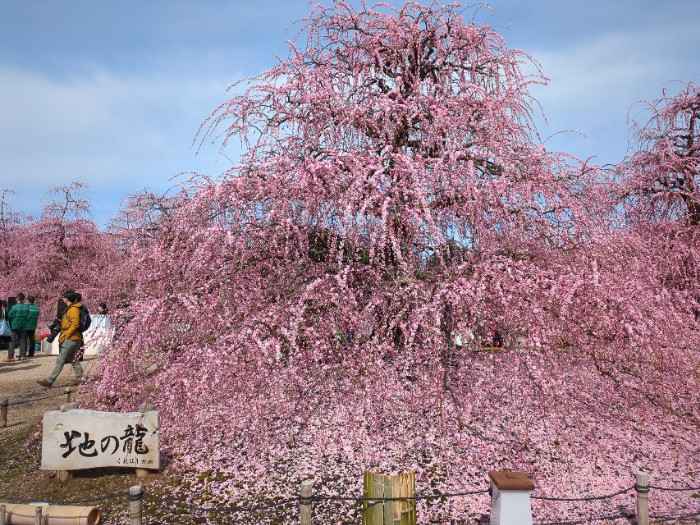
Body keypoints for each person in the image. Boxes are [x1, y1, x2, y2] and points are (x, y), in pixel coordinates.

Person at [37, 290, 84, 387]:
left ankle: (50, 380)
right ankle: (80, 378)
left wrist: (67, 334)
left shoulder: (73, 309)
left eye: (63, 297)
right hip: (73, 337)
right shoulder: (71, 308)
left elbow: (75, 324)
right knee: (73, 358)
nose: (62, 298)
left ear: (67, 298)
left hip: (71, 337)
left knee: (61, 359)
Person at [6, 293, 29, 362]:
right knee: (22, 340)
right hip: (23, 326)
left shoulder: (14, 307)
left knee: (11, 341)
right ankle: (22, 356)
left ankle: (10, 357)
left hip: (14, 326)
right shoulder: (26, 307)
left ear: (17, 299)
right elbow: (28, 316)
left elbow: (9, 316)